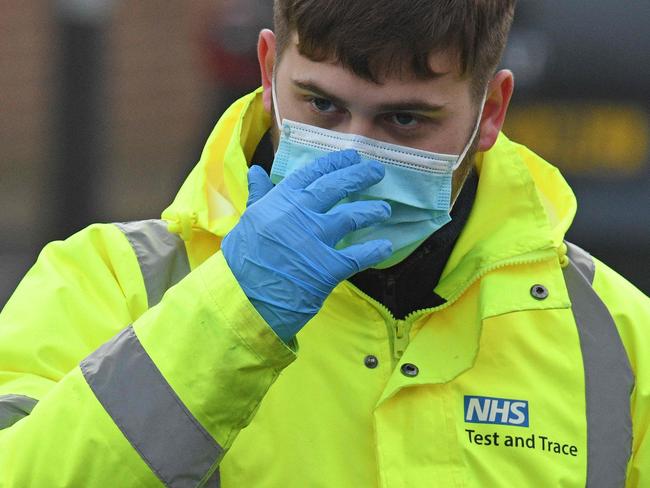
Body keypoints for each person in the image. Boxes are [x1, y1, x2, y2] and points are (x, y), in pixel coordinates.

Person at [0, 1, 648, 486]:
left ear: (491, 112)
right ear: (266, 72)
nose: (356, 152)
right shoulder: (108, 283)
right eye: (322, 106)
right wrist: (234, 313)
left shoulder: (617, 341)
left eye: (404, 119)